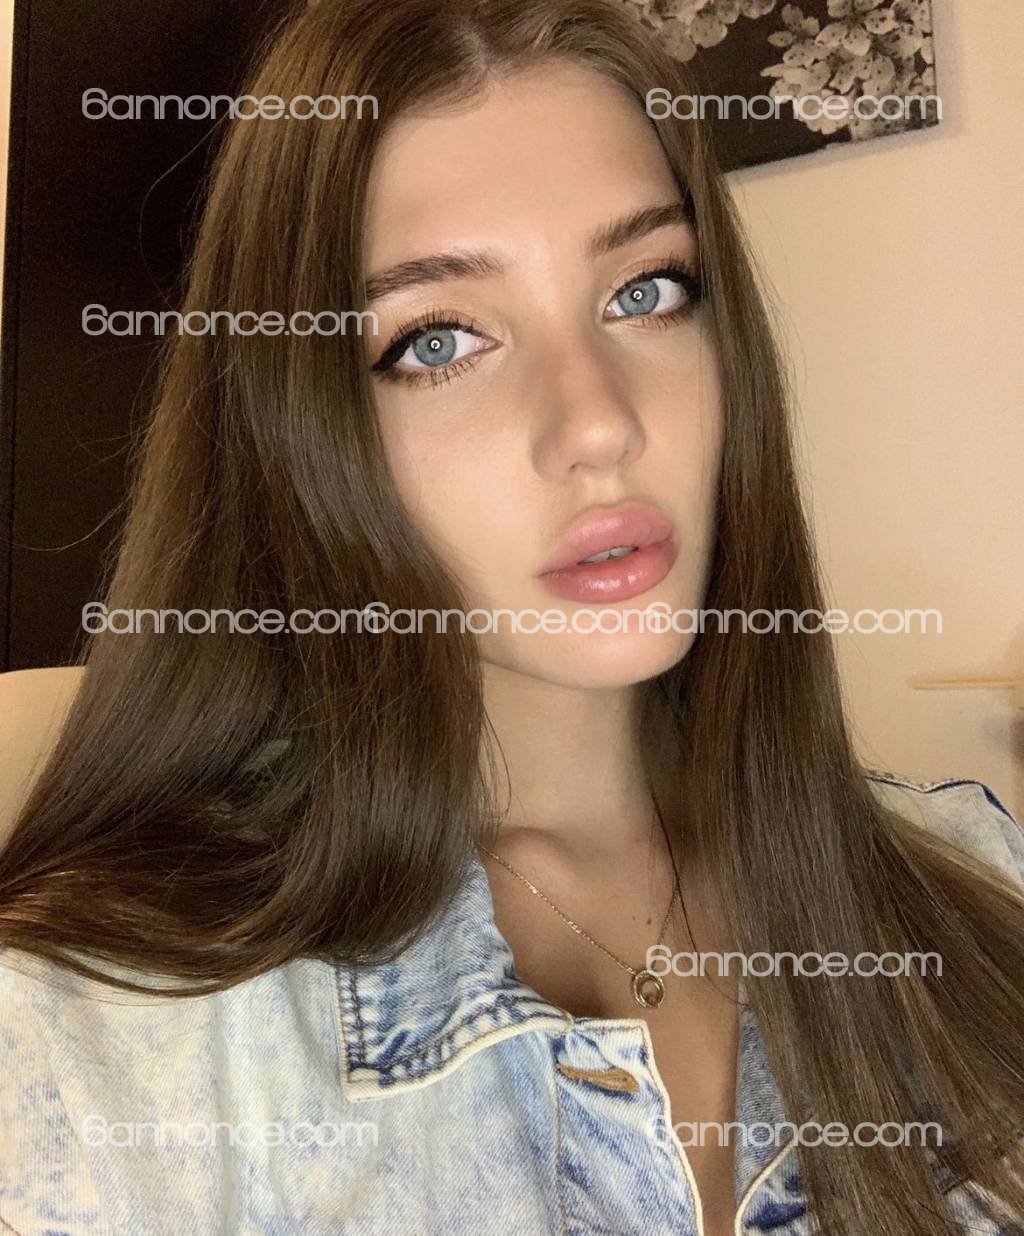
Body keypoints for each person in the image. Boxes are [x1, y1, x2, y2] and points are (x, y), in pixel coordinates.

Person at [1, 0, 1022, 1233]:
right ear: (297, 431)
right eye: (438, 340)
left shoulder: (981, 885)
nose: (598, 423)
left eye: (646, 289)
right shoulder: (88, 1052)